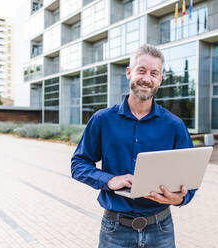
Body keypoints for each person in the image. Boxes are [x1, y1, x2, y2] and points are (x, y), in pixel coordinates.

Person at [71, 44, 196, 248]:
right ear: (129, 73)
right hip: (115, 230)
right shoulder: (102, 120)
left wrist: (180, 198)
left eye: (154, 73)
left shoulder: (174, 125)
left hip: (161, 230)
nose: (147, 78)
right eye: (141, 70)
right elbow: (78, 164)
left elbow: (190, 176)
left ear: (160, 80)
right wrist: (109, 180)